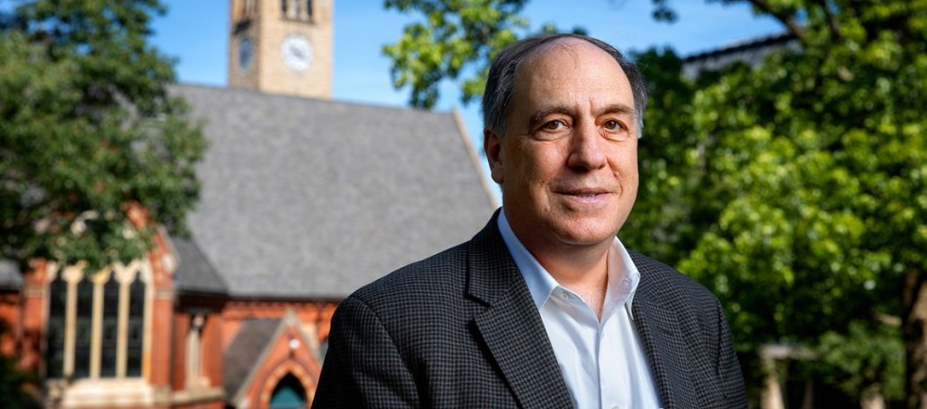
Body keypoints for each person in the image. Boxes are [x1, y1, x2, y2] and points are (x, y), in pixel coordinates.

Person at [313, 34, 746, 408]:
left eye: (613, 124)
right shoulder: (391, 328)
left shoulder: (698, 316)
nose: (590, 155)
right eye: (554, 124)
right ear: (497, 154)